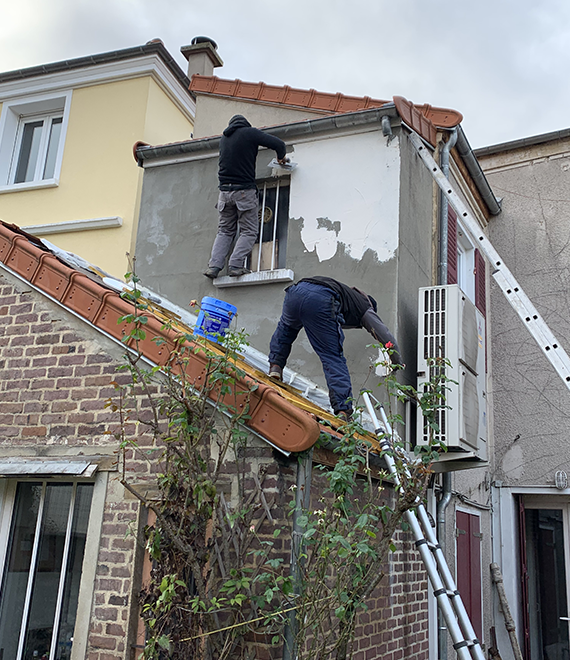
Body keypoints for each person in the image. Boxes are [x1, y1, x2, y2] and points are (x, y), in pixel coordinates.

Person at [268, 276, 402, 419]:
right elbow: (385, 335)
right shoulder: (365, 307)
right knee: (332, 356)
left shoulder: (348, 295)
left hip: (295, 293)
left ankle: (275, 367)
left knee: (286, 330)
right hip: (320, 299)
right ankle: (343, 409)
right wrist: (396, 361)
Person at [204, 115, 288, 279]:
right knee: (249, 231)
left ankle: (214, 266)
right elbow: (279, 144)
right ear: (246, 125)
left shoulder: (224, 138)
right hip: (243, 191)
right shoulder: (250, 133)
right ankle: (235, 265)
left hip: (224, 193)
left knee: (225, 231)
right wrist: (281, 157)